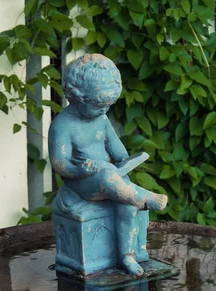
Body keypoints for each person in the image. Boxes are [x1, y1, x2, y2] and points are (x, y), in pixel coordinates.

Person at [48, 54, 168, 277]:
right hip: (83, 184)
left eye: (108, 106)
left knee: (127, 205)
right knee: (106, 173)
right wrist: (78, 170)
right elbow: (59, 162)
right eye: (99, 105)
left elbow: (113, 142)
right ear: (77, 97)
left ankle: (127, 256)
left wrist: (124, 158)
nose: (104, 111)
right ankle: (145, 196)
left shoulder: (101, 119)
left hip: (110, 179)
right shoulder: (62, 125)